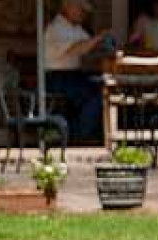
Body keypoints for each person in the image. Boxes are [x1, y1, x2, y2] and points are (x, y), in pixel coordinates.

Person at [44, 0, 111, 142]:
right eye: (80, 8)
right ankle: (79, 136)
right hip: (57, 78)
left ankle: (81, 133)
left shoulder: (75, 29)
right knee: (98, 94)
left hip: (73, 76)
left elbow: (90, 46)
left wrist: (103, 43)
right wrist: (98, 38)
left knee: (104, 88)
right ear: (68, 6)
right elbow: (76, 49)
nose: (83, 13)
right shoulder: (56, 28)